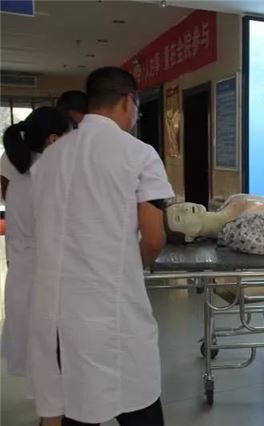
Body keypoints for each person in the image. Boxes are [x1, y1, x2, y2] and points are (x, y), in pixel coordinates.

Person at [28, 67, 174, 426]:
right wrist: (131, 266)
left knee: (75, 405)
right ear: (129, 101)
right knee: (137, 403)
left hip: (55, 312)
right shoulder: (139, 154)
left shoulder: (49, 158)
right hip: (111, 310)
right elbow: (154, 238)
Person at [1, 107, 71, 380]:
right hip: (49, 272)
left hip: (20, 268)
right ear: (53, 139)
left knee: (32, 349)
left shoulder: (13, 165)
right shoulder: (53, 171)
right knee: (53, 353)